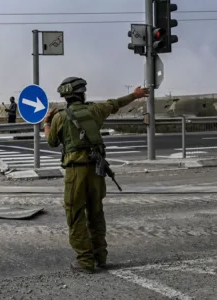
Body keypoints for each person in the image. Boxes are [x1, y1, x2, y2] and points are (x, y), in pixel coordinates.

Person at [43, 76, 149, 273]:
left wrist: (47, 123)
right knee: (96, 212)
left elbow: (51, 142)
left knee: (75, 214)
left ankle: (85, 260)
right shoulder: (95, 110)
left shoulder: (60, 117)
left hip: (76, 172)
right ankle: (100, 256)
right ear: (82, 93)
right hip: (97, 171)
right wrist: (135, 95)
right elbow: (115, 103)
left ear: (65, 96)